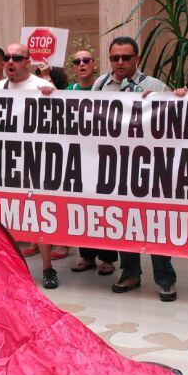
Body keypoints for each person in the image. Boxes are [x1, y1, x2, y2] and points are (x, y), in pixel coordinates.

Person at [93, 36, 176, 302]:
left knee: (154, 223)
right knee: (125, 222)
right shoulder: (100, 85)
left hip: (149, 167)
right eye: (114, 57)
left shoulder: (155, 86)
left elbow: (174, 121)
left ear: (136, 59)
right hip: (116, 168)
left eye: (125, 57)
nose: (119, 62)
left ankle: (165, 279)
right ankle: (130, 272)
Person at [0, 43, 58, 288]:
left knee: (39, 214)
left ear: (27, 61)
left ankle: (47, 267)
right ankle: (11, 268)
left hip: (35, 161)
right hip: (6, 161)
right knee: (6, 213)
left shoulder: (43, 87)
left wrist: (53, 95)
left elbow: (63, 119)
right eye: (7, 58)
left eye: (17, 58)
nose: (11, 62)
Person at [68, 50, 117, 276]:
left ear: (94, 65)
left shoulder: (106, 88)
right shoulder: (68, 91)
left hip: (104, 156)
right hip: (79, 156)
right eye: (77, 62)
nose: (82, 64)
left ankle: (108, 258)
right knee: (82, 207)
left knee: (104, 208)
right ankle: (87, 255)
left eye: (86, 60)